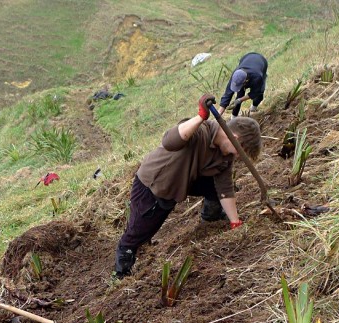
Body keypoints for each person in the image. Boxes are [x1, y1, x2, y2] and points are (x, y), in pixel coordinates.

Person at [114, 94, 262, 278]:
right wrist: (200, 116)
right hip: (155, 185)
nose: (238, 157)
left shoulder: (225, 156)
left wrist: (235, 222)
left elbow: (225, 188)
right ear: (234, 138)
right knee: (140, 232)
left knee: (215, 187)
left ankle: (211, 217)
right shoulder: (200, 132)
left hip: (185, 179)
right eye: (241, 152)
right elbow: (169, 141)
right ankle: (121, 273)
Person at [219, 52, 268, 119]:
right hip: (246, 57)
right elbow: (227, 95)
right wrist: (218, 115)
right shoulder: (236, 75)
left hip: (261, 61)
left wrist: (240, 100)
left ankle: (253, 109)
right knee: (240, 94)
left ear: (246, 81)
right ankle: (233, 118)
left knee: (259, 95)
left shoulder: (257, 77)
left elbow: (255, 93)